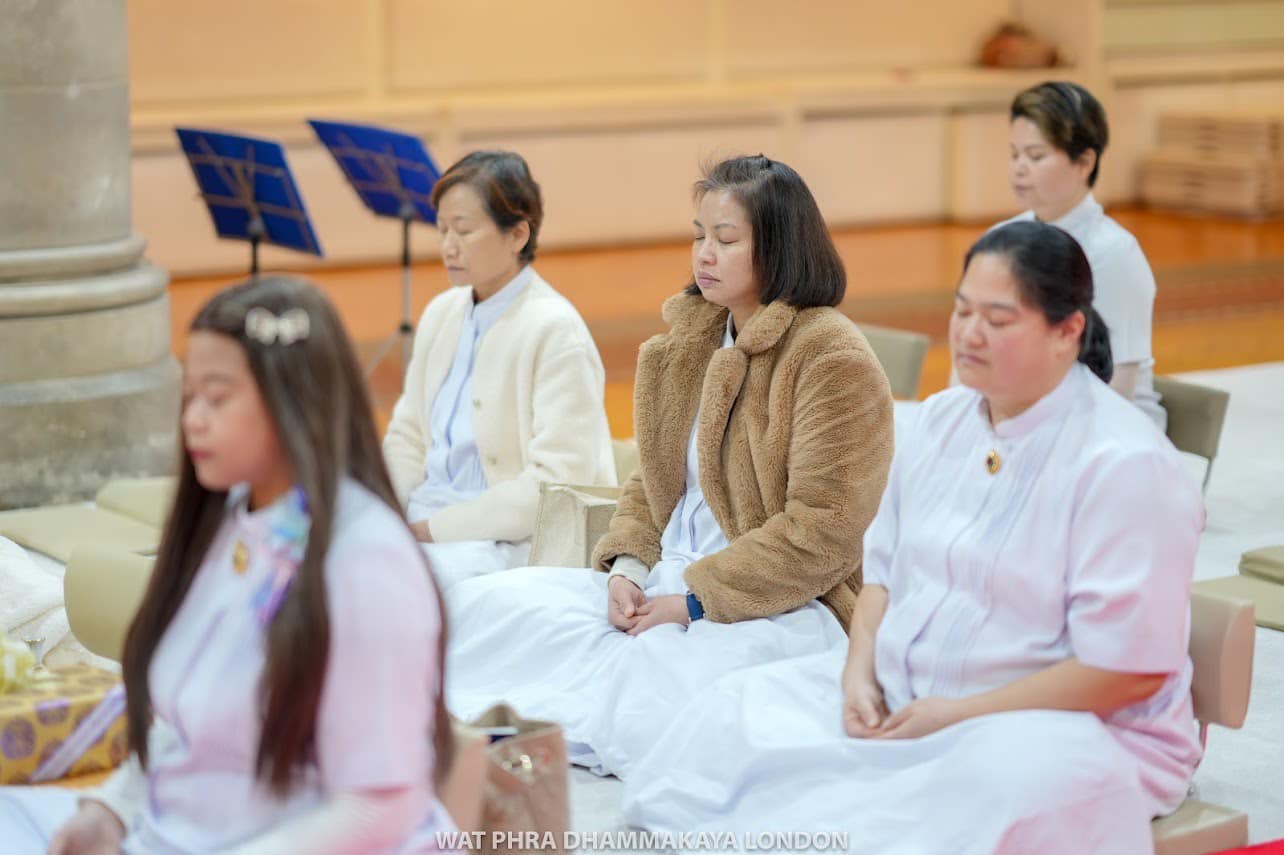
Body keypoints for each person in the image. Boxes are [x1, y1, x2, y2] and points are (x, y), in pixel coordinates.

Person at [623, 221, 1204, 852]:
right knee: (729, 716)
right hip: (912, 689)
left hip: (1057, 728)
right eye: (963, 311)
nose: (970, 334)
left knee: (931, 811)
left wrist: (955, 715)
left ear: (1068, 331)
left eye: (999, 320)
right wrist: (857, 674)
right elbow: (883, 578)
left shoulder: (1124, 463)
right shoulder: (941, 421)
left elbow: (1126, 671)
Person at [444, 154, 895, 779]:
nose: (704, 254)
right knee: (487, 611)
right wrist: (626, 567)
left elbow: (824, 532)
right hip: (664, 583)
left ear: (781, 247)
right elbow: (651, 483)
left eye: (726, 239)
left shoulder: (829, 357)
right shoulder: (688, 343)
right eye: (698, 235)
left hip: (769, 605)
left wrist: (693, 599)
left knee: (649, 688)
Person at [0, 276, 456, 853]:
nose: (193, 418)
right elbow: (188, 729)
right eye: (189, 395)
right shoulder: (237, 521)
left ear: (296, 399)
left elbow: (385, 803)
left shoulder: (368, 560)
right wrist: (109, 812)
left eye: (217, 398)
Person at [383, 150, 616, 590]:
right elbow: (408, 435)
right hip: (424, 520)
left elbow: (555, 486)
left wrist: (428, 531)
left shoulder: (555, 331)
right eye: (442, 229)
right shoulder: (441, 313)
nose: (448, 245)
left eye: (465, 230)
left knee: (398, 590)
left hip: (505, 539)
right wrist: (386, 510)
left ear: (517, 234)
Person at [997, 80, 1165, 428]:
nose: (1019, 167)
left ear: (1085, 161)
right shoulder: (1001, 240)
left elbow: (1120, 384)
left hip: (1110, 432)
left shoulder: (1114, 254)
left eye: (1036, 155)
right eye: (1014, 154)